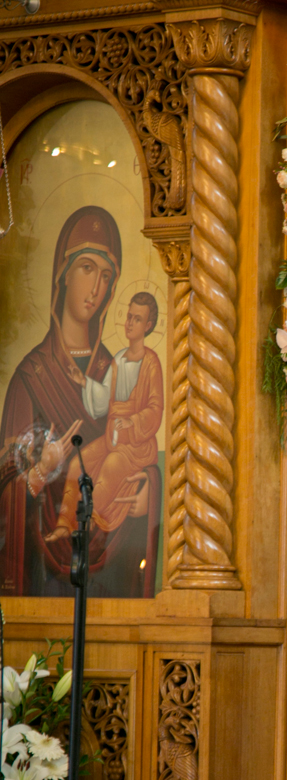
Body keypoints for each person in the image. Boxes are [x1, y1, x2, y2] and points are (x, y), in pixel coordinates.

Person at [0, 206, 121, 594]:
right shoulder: (30, 378)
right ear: (62, 275)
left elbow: (131, 455)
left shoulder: (113, 372)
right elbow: (5, 490)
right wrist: (40, 474)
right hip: (40, 573)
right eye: (87, 268)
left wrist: (145, 489)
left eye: (106, 276)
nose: (96, 287)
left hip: (105, 561)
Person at [46, 291, 164, 541]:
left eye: (137, 319)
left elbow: (155, 408)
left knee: (110, 467)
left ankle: (84, 525)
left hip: (135, 445)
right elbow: (103, 400)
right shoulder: (118, 359)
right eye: (129, 317)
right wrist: (84, 382)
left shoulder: (152, 363)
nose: (130, 323)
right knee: (78, 464)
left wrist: (133, 420)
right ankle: (64, 523)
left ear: (149, 325)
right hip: (112, 437)